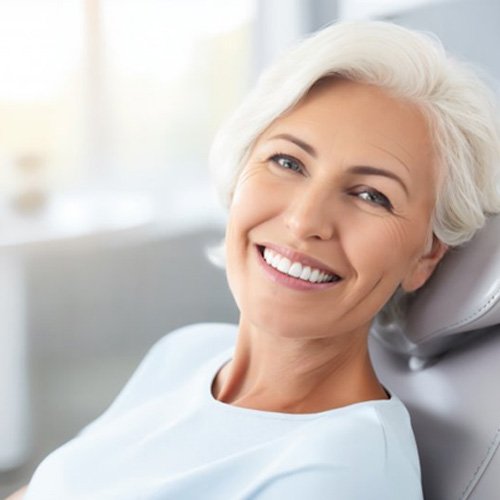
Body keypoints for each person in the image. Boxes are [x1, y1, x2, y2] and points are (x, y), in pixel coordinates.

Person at [10, 20, 500, 500]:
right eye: (288, 162)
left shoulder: (342, 474)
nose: (305, 220)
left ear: (426, 256)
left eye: (371, 195)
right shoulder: (188, 353)